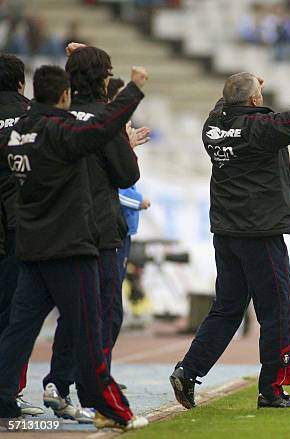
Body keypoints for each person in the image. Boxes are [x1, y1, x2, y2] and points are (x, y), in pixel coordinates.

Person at [169, 50, 290, 409]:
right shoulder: (260, 128)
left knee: (226, 308)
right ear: (255, 99)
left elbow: (228, 102)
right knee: (278, 311)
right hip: (260, 233)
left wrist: (247, 90)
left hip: (226, 232)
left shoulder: (212, 125)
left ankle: (188, 370)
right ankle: (272, 389)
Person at [0, 64, 149, 430]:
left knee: (18, 331)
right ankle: (112, 410)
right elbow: (100, 127)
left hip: (32, 247)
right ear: (64, 96)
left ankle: (3, 397)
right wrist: (132, 89)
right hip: (70, 247)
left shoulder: (17, 132)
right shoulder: (63, 132)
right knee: (89, 331)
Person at [42, 47, 150, 422]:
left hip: (55, 228)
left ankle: (56, 382)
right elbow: (126, 175)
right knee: (103, 314)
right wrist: (128, 147)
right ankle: (96, 393)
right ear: (104, 79)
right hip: (101, 230)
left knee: (64, 313)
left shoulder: (54, 117)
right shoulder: (103, 120)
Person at [0, 52, 44, 416]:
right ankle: (8, 392)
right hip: (20, 224)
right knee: (17, 311)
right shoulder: (30, 114)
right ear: (20, 82)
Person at [117, 185, 150, 285]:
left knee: (119, 277)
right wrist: (139, 201)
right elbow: (119, 194)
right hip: (118, 233)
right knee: (115, 280)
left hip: (125, 232)